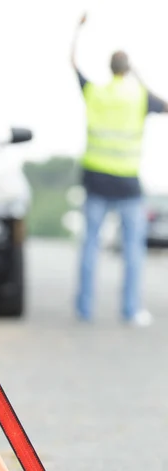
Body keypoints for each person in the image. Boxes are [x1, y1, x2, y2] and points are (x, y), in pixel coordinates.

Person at [71, 14, 168, 326]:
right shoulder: (138, 97)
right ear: (127, 69)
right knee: (132, 253)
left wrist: (78, 29)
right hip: (127, 184)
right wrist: (138, 74)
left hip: (96, 180)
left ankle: (84, 309)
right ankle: (130, 310)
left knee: (89, 247)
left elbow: (72, 63)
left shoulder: (96, 93)